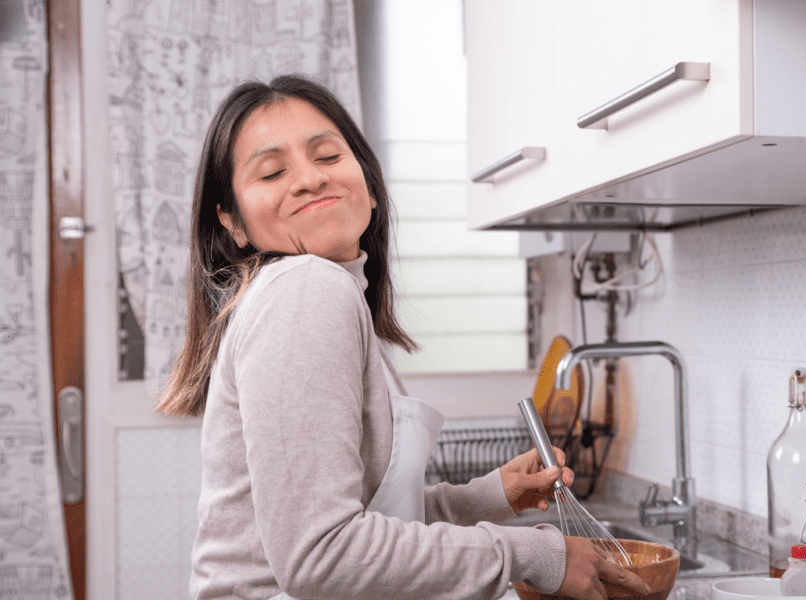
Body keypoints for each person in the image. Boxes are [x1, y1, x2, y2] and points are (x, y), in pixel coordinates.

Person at [155, 74, 651, 600]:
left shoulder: (327, 296)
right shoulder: (305, 290)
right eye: (273, 171)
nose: (309, 180)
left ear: (368, 187)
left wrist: (488, 498)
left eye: (327, 157)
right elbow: (323, 556)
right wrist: (532, 553)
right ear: (233, 223)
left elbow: (370, 519)